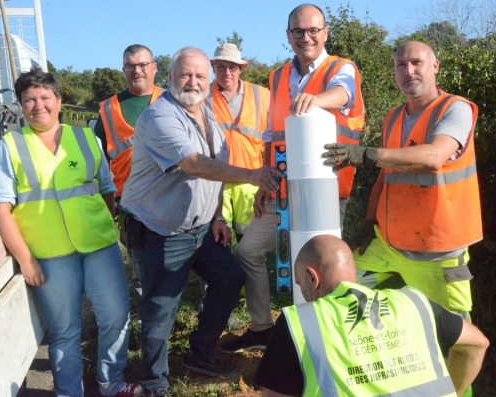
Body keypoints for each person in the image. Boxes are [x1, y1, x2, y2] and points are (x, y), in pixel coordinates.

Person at [119, 47, 283, 396]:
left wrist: (217, 216)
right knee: (160, 308)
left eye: (199, 76)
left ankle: (201, 352)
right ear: (170, 78)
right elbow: (194, 164)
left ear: (207, 81)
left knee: (230, 277)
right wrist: (252, 175)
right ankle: (154, 382)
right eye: (185, 75)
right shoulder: (160, 116)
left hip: (199, 229)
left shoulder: (206, 116)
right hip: (158, 231)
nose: (192, 81)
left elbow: (215, 171)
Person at [0, 69, 141, 397]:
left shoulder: (85, 139)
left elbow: (107, 189)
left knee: (116, 315)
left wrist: (104, 225)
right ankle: (69, 393)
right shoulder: (9, 148)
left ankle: (111, 383)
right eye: (29, 99)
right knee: (64, 331)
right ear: (21, 104)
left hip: (98, 246)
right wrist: (26, 261)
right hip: (50, 255)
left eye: (44, 98)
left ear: (58, 101)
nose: (38, 105)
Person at [221, 3, 365, 354]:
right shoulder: (277, 77)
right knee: (247, 251)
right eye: (298, 32)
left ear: (325, 33)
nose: (306, 37)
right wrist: (263, 181)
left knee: (326, 270)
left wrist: (316, 100)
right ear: (288, 36)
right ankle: (262, 328)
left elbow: (344, 94)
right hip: (282, 191)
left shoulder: (341, 68)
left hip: (327, 194)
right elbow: (274, 134)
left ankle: (329, 343)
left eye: (313, 30)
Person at [322, 41, 482, 320]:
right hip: (388, 243)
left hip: (436, 251)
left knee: (455, 336)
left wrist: (366, 154)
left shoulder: (455, 109)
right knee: (336, 289)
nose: (409, 71)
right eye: (401, 65)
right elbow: (387, 176)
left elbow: (434, 156)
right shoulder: (394, 116)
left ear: (435, 67)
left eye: (417, 63)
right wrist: (370, 222)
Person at [253, 235, 489, 397]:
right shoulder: (413, 303)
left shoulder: (301, 323)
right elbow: (478, 344)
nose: (302, 294)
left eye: (300, 284)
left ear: (312, 277)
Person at [205, 42, 269, 240]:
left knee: (248, 245)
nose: (227, 73)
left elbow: (273, 142)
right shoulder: (201, 97)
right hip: (214, 181)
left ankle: (247, 273)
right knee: (217, 244)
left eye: (232, 67)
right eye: (221, 67)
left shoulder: (263, 95)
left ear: (241, 68)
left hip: (250, 181)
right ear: (213, 67)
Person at [95, 44, 163, 203]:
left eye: (142, 65)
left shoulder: (173, 101)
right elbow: (98, 160)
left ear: (154, 67)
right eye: (130, 66)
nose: (137, 71)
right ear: (124, 70)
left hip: (167, 197)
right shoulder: (108, 108)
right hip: (127, 201)